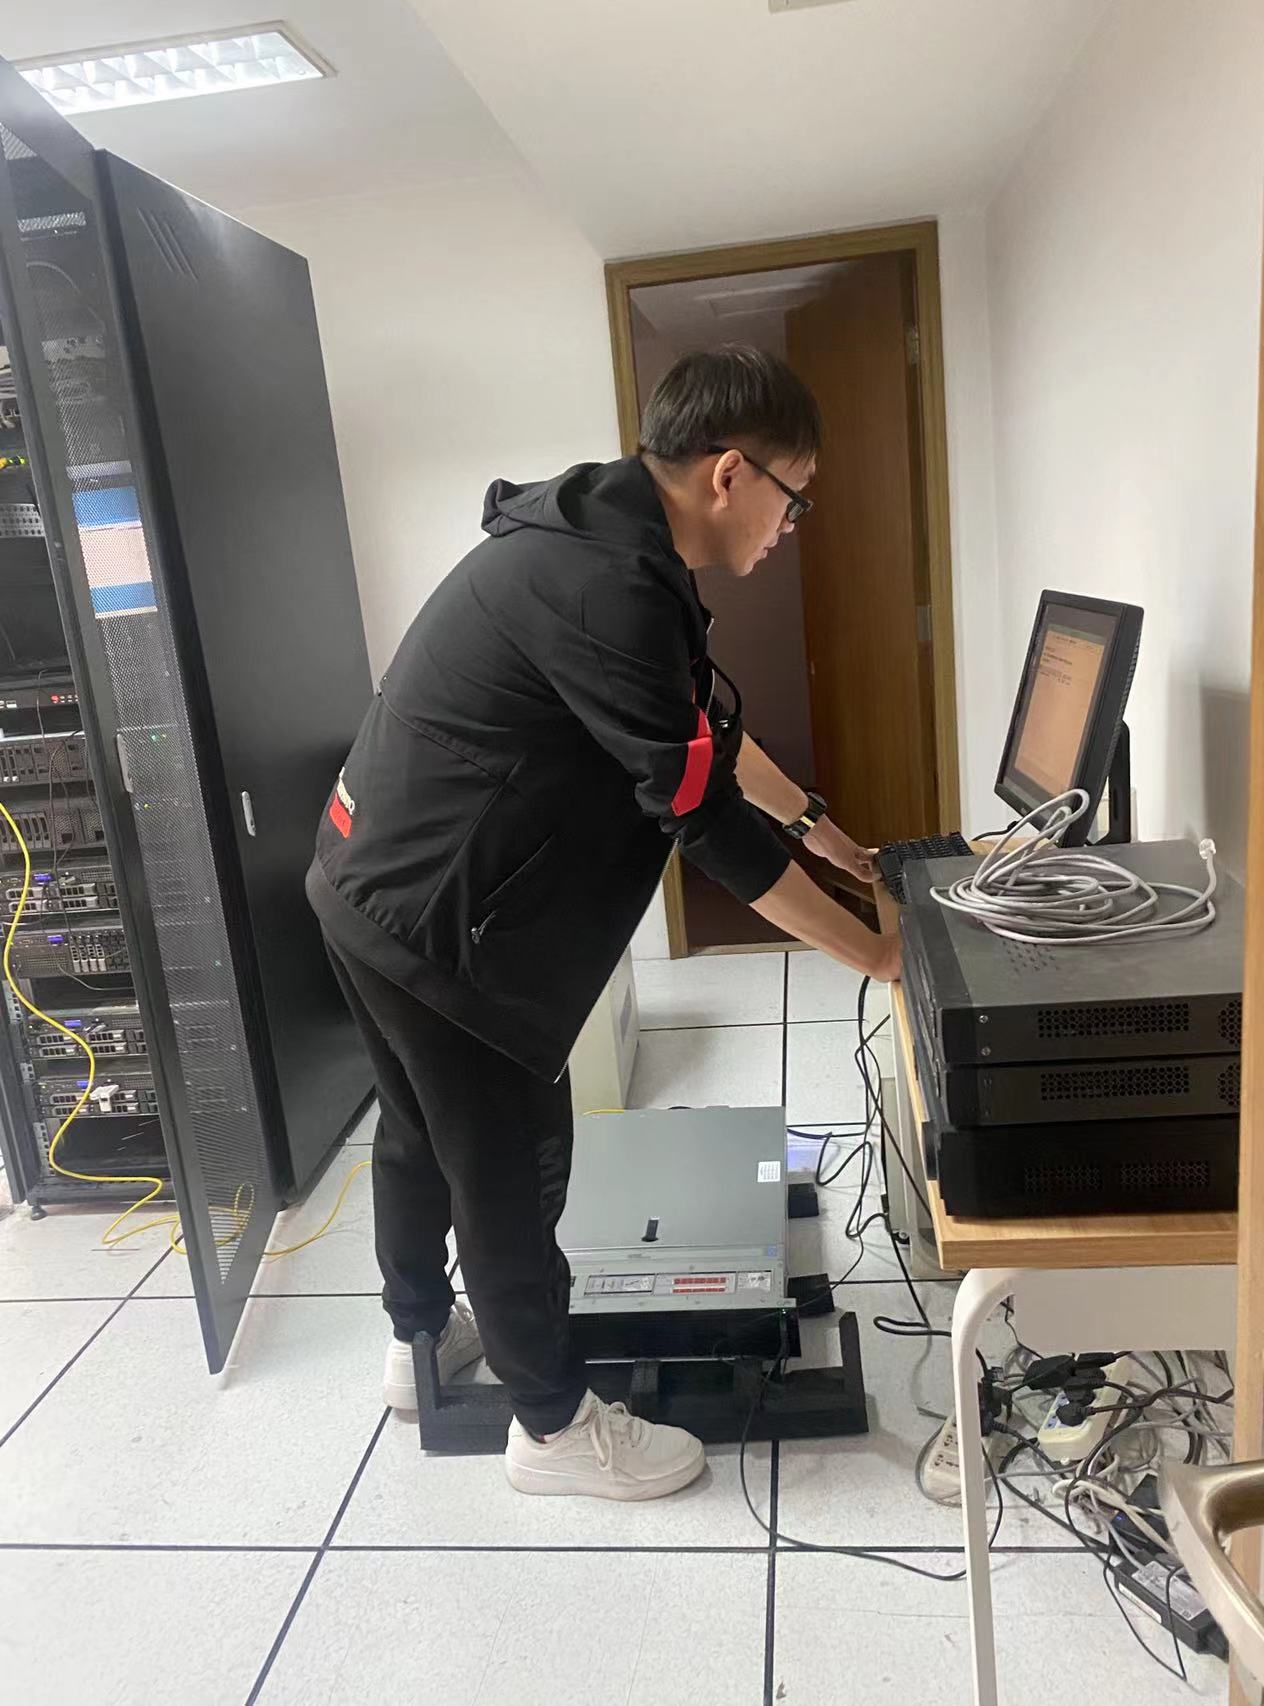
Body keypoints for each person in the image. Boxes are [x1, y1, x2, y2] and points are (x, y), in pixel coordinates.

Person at [307, 344, 901, 1503]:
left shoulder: (598, 536)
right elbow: (700, 816)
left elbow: (699, 732)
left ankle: (414, 1337)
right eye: (793, 498)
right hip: (442, 924)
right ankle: (549, 1424)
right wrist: (876, 953)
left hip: (363, 876)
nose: (790, 527)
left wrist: (827, 837)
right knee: (511, 1162)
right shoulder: (610, 585)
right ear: (729, 474)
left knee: (420, 1130)